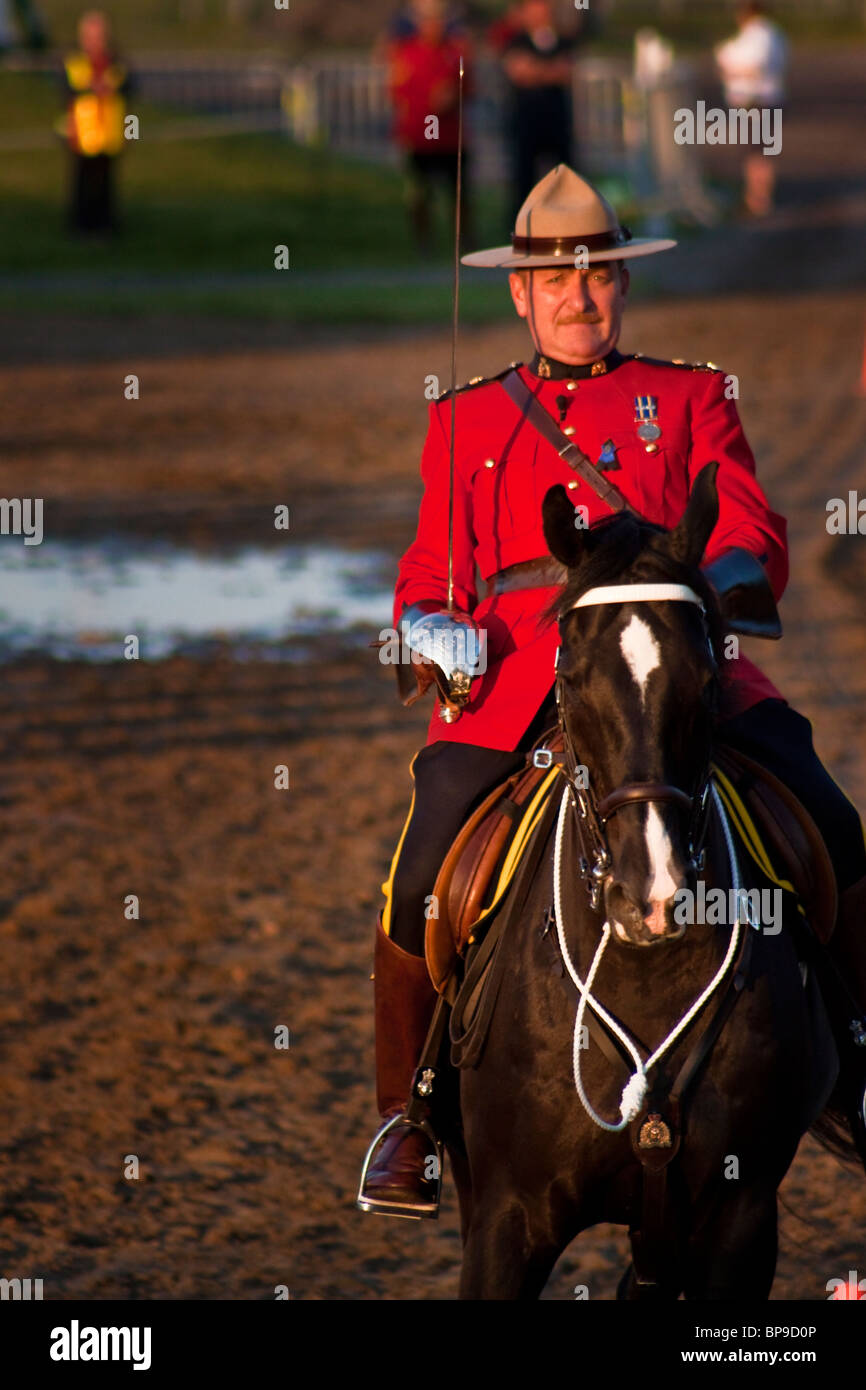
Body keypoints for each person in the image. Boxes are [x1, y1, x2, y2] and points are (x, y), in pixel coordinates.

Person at [357, 164, 866, 1218]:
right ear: (518, 293)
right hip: (510, 679)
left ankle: (854, 1058)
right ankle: (404, 1120)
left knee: (829, 819)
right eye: (555, 281)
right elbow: (424, 569)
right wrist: (429, 624)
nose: (577, 297)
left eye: (595, 277)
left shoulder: (689, 396)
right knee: (415, 874)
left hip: (669, 666)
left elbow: (748, 527)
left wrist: (723, 582)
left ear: (621, 286)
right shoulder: (462, 420)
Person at [384, 0, 472, 255]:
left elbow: (470, 87)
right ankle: (423, 242)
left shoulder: (456, 53)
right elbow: (398, 92)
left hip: (450, 137)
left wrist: (453, 95)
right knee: (419, 193)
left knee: (458, 194)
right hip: (420, 136)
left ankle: (463, 240)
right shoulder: (407, 53)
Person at [497, 0, 577, 224]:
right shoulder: (516, 41)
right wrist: (549, 70)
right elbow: (519, 72)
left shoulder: (563, 41)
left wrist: (535, 71)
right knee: (523, 181)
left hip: (557, 123)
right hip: (525, 123)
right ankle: (522, 226)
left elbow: (566, 72)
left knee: (564, 180)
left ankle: (566, 224)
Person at [59, 10, 132, 237]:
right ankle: (81, 227)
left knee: (106, 184)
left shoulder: (117, 62)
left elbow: (132, 97)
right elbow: (66, 91)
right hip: (81, 135)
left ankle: (106, 227)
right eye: (89, 35)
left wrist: (132, 134)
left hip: (111, 134)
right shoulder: (74, 62)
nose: (94, 40)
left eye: (98, 35)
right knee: (81, 183)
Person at [715, 2, 788, 217]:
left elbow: (756, 68)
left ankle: (758, 199)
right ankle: (756, 197)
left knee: (756, 153)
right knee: (759, 152)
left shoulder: (759, 36)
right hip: (765, 100)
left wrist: (731, 71)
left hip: (756, 101)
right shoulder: (773, 34)